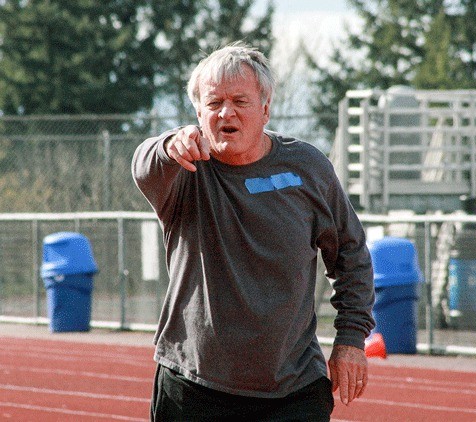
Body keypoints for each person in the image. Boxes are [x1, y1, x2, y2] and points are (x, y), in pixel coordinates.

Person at [132, 42, 375, 421]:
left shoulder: (308, 166)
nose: (226, 112)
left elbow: (351, 256)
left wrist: (350, 339)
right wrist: (168, 145)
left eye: (239, 101)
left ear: (265, 108)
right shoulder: (183, 171)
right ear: (198, 112)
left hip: (293, 387)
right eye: (213, 103)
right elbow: (144, 164)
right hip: (194, 385)